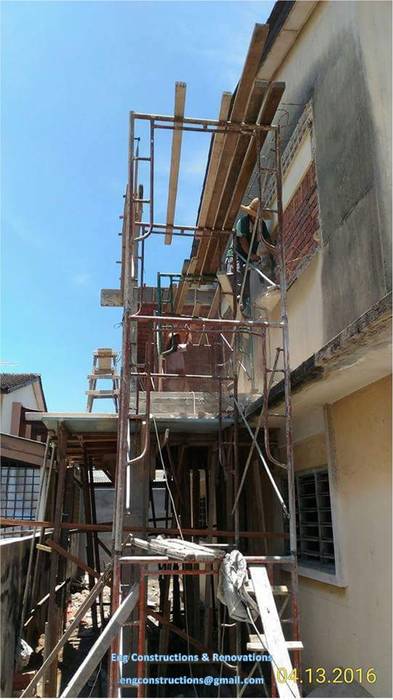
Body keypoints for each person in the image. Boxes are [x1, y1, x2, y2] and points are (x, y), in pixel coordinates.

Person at [225, 197, 275, 316]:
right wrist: (251, 255)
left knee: (249, 279)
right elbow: (243, 241)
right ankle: (238, 299)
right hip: (237, 254)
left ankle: (248, 301)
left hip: (248, 257)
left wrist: (273, 249)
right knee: (236, 274)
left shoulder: (260, 224)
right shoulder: (243, 222)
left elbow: (266, 240)